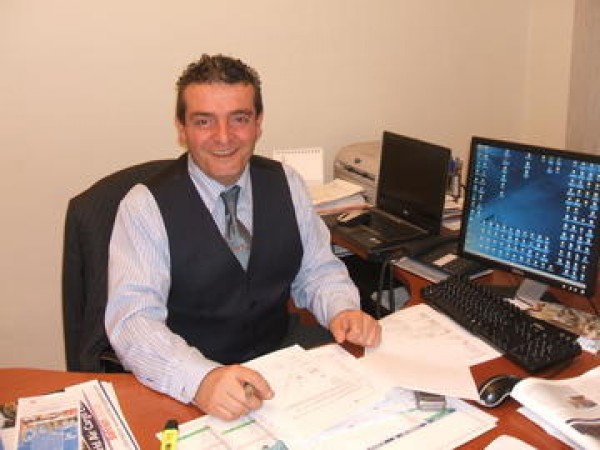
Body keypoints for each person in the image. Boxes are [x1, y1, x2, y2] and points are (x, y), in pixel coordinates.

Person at [105, 54, 381, 421]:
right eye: (204, 121)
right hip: (191, 382)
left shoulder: (287, 182)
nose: (223, 137)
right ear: (182, 128)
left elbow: (316, 270)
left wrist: (341, 308)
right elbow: (132, 321)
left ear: (258, 123)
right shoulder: (144, 206)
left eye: (239, 118)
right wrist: (199, 379)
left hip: (281, 366)